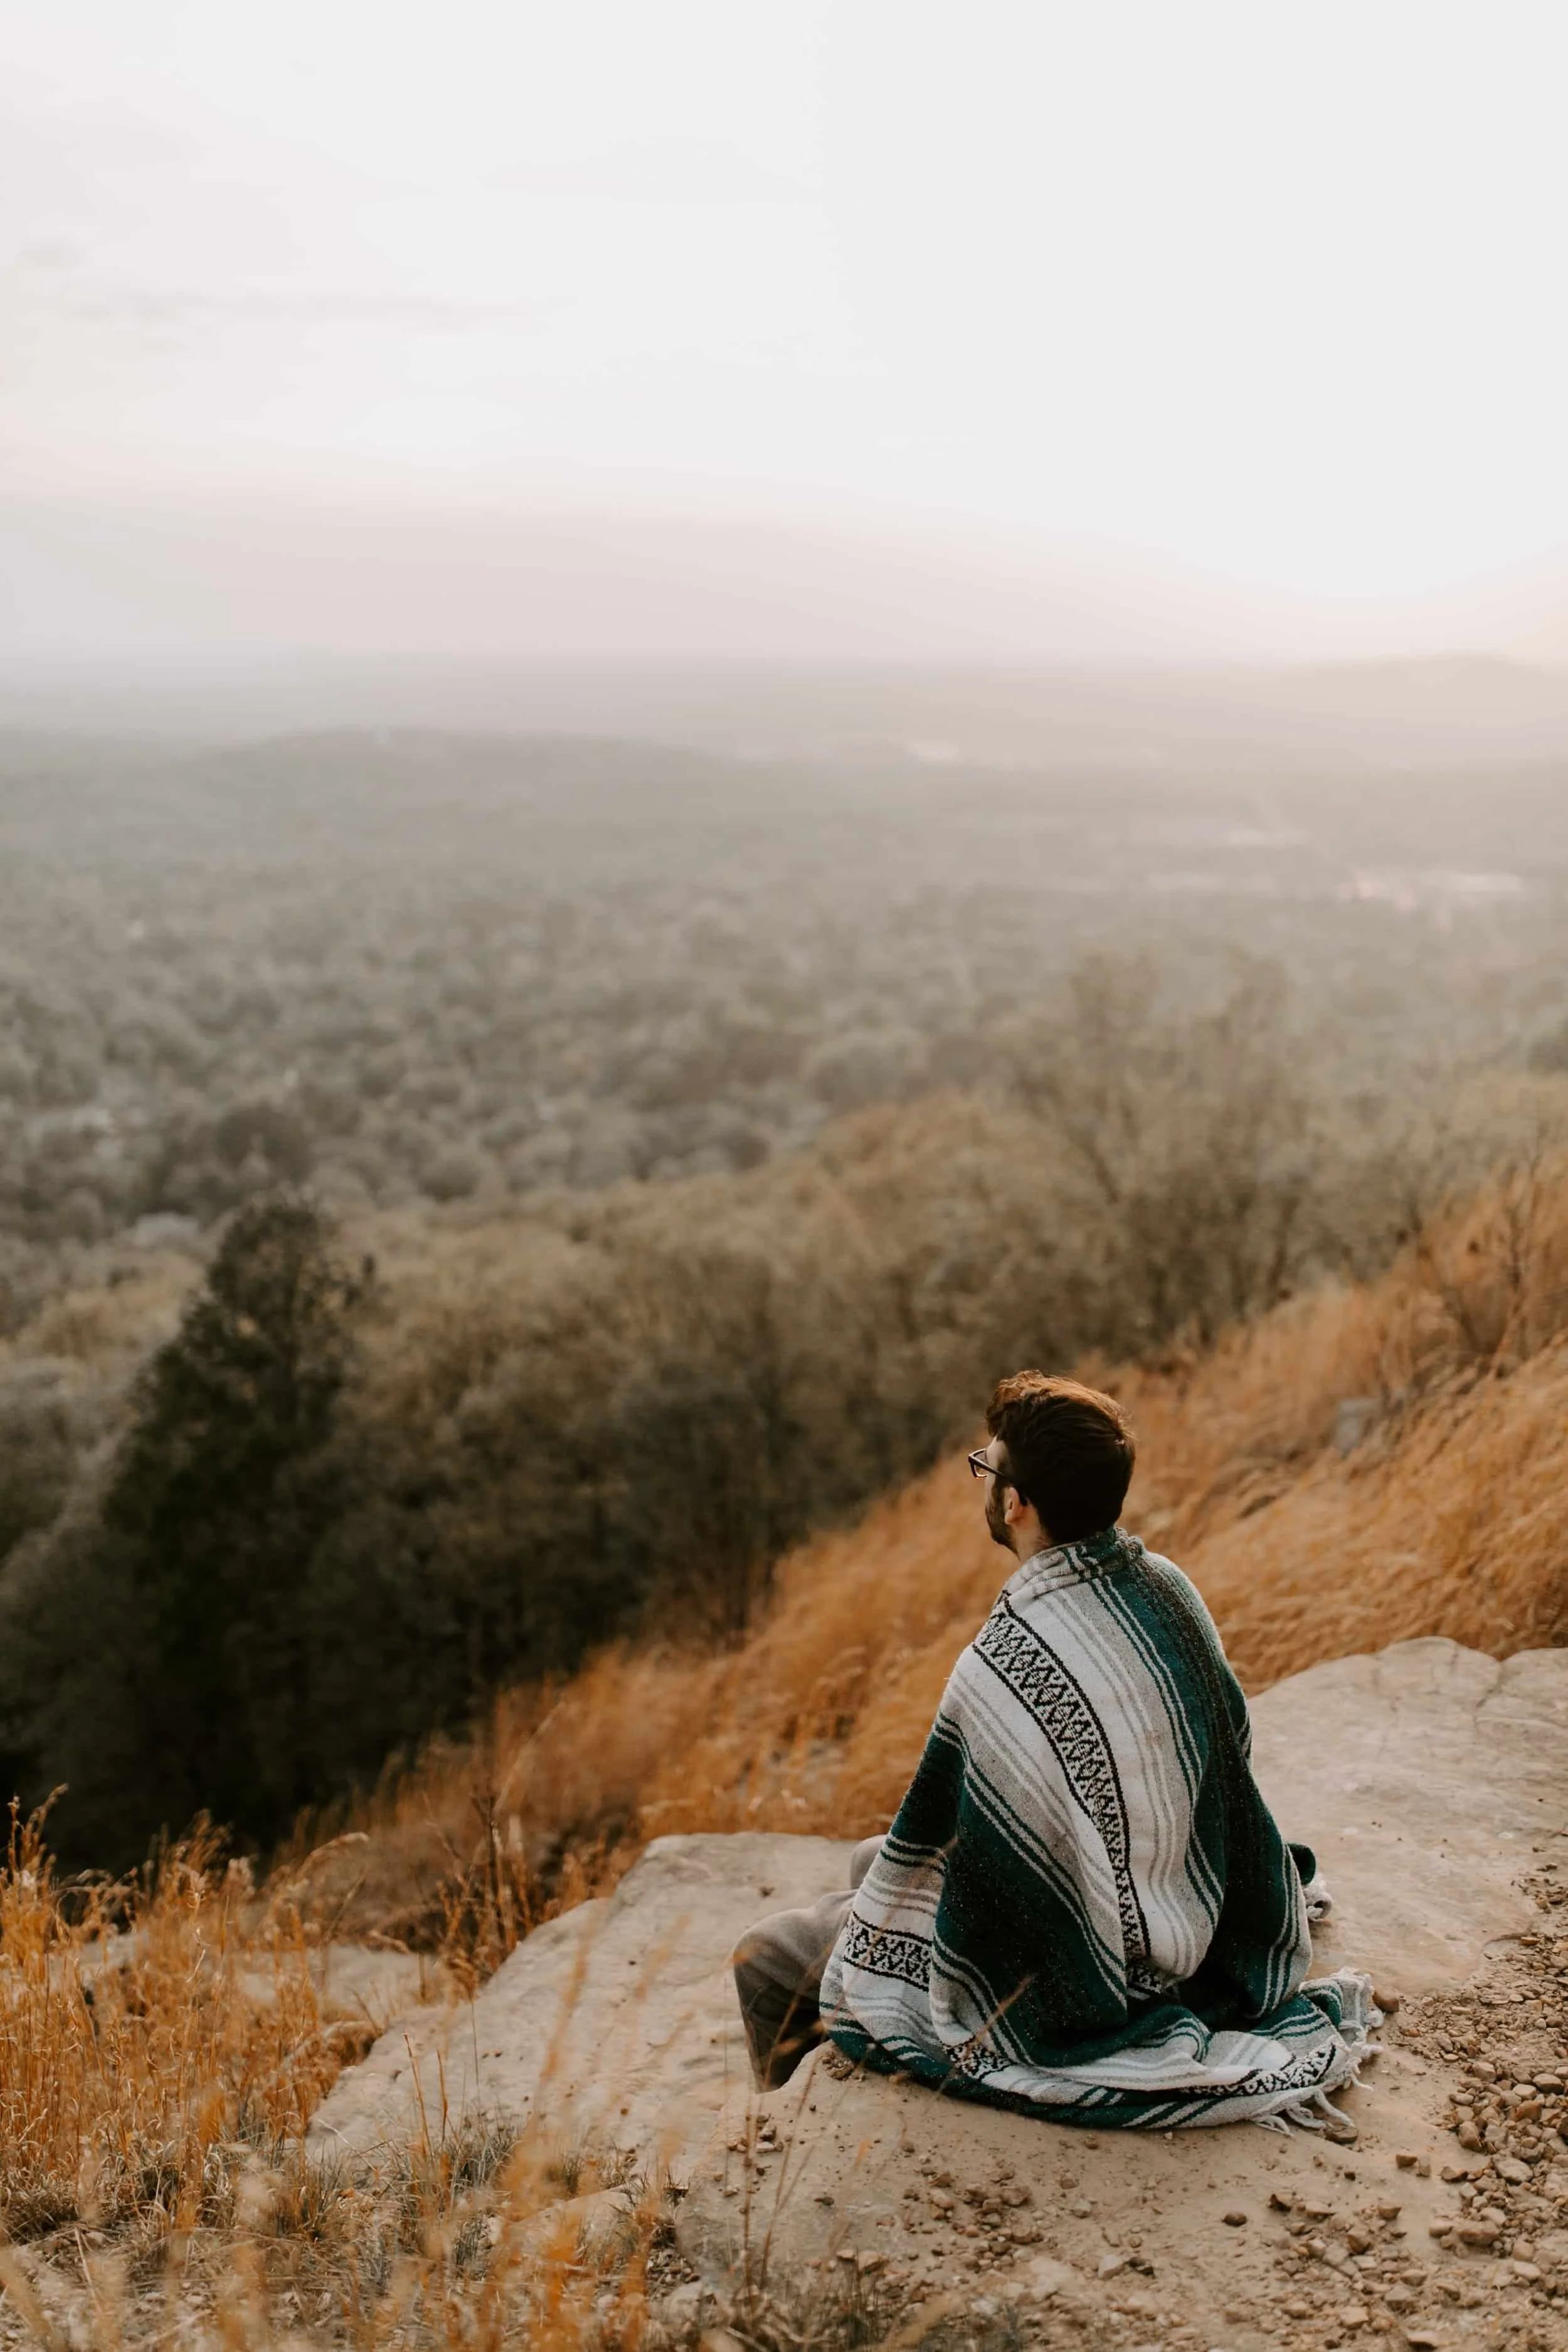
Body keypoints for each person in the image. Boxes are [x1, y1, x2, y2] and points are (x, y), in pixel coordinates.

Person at [731, 1371, 1374, 2129]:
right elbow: (1229, 1755)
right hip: (1186, 1899)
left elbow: (976, 1851)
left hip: (1099, 1968)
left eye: (988, 1467)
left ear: (1015, 1502)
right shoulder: (1168, 1588)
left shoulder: (1006, 1663)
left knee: (767, 1957)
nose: (986, 1479)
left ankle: (786, 2138)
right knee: (874, 1860)